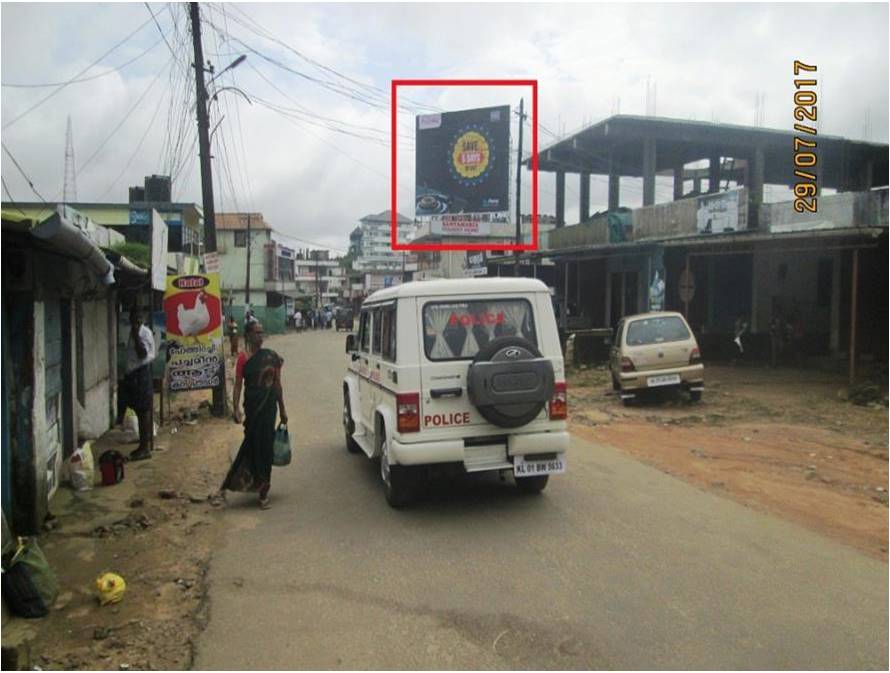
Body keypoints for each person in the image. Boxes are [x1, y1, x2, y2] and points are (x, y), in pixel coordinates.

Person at [222, 321, 288, 509]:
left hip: (268, 409)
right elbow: (237, 385)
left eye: (262, 332)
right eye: (256, 333)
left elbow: (277, 385)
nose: (260, 336)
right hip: (253, 409)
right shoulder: (243, 358)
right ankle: (252, 481)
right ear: (248, 336)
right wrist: (235, 408)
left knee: (266, 448)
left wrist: (282, 409)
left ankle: (263, 490)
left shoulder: (271, 357)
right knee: (253, 446)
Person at [123, 307, 155, 461]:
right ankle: (143, 446)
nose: (133, 323)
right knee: (140, 410)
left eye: (136, 320)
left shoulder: (143, 333)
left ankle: (145, 448)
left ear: (140, 320)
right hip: (134, 375)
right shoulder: (135, 332)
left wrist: (136, 335)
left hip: (141, 374)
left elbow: (143, 354)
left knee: (143, 412)